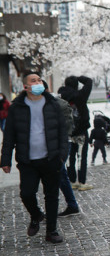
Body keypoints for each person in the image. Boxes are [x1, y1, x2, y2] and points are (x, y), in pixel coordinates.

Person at [0, 71, 69, 243]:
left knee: (52, 195)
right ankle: (36, 215)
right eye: (33, 80)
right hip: (27, 160)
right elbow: (9, 135)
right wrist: (5, 159)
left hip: (51, 158)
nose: (38, 82)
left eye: (39, 79)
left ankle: (51, 231)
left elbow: (62, 131)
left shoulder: (53, 104)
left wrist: (62, 155)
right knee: (26, 193)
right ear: (26, 86)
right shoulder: (17, 107)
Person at [48, 81, 80, 217]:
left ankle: (69, 206)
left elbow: (67, 128)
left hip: (59, 145)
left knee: (59, 174)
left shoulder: (59, 104)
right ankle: (71, 205)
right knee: (61, 175)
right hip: (50, 146)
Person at [58, 75, 93, 191]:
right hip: (81, 130)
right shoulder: (81, 95)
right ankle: (81, 182)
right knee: (81, 156)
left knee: (70, 156)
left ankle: (72, 181)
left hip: (67, 131)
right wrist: (79, 77)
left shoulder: (60, 96)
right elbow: (89, 81)